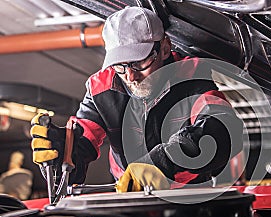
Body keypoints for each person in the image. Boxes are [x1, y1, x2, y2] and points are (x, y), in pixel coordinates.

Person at [30, 6, 243, 192]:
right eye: (120, 65)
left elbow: (223, 128)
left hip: (188, 193)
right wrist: (60, 156)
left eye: (139, 63)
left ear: (165, 49)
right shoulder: (101, 88)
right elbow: (81, 144)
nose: (130, 76)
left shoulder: (191, 77)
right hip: (129, 192)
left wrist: (163, 162)